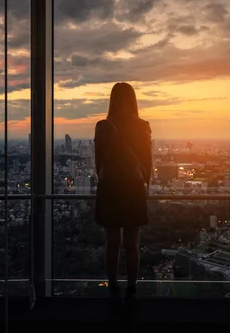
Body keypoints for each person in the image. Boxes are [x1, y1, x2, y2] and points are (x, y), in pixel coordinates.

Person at [94, 82, 152, 304]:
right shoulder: (142, 125)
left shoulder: (103, 126)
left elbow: (98, 162)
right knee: (132, 242)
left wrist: (106, 179)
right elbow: (147, 160)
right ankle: (132, 287)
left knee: (112, 242)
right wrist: (143, 183)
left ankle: (112, 287)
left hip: (109, 187)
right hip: (133, 187)